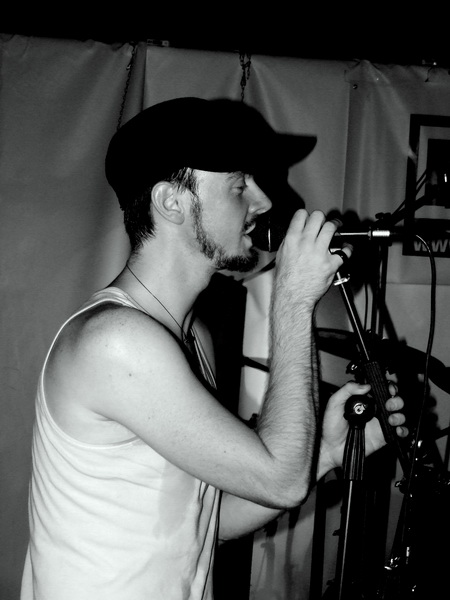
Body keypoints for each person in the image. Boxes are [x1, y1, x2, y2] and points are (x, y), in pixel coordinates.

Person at [20, 97, 407, 600]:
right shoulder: (115, 342)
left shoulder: (188, 335)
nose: (263, 202)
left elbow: (206, 521)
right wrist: (292, 298)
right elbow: (280, 481)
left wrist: (327, 453)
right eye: (239, 185)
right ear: (171, 202)